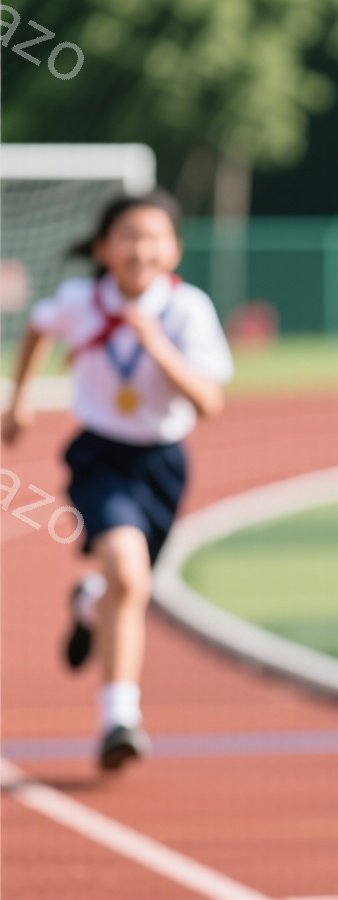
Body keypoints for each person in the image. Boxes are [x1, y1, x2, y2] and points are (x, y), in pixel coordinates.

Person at [1, 190, 233, 773]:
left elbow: (208, 400)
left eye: (155, 236)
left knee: (129, 586)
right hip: (100, 459)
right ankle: (119, 720)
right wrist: (19, 400)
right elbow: (37, 327)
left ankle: (89, 605)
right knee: (130, 573)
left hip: (162, 464)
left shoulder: (188, 310)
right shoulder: (82, 300)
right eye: (128, 235)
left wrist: (155, 342)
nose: (141, 248)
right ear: (104, 247)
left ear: (175, 248)